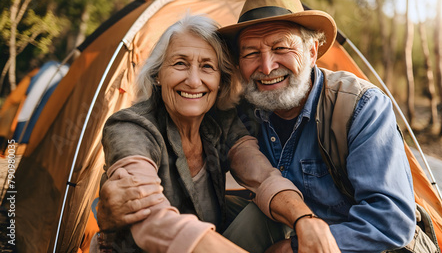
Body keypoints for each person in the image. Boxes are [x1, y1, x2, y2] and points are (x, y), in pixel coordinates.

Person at [94, 14, 336, 252]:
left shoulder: (219, 121)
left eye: (207, 67)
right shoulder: (132, 125)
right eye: (180, 63)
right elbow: (150, 218)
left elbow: (263, 177)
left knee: (269, 212)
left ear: (221, 79)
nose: (193, 80)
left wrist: (305, 219)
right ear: (158, 74)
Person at [216, 0, 417, 253]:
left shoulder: (360, 106)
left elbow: (391, 220)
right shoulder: (244, 106)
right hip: (284, 220)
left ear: (312, 52)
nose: (266, 66)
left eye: (281, 48)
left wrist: (295, 248)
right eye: (251, 53)